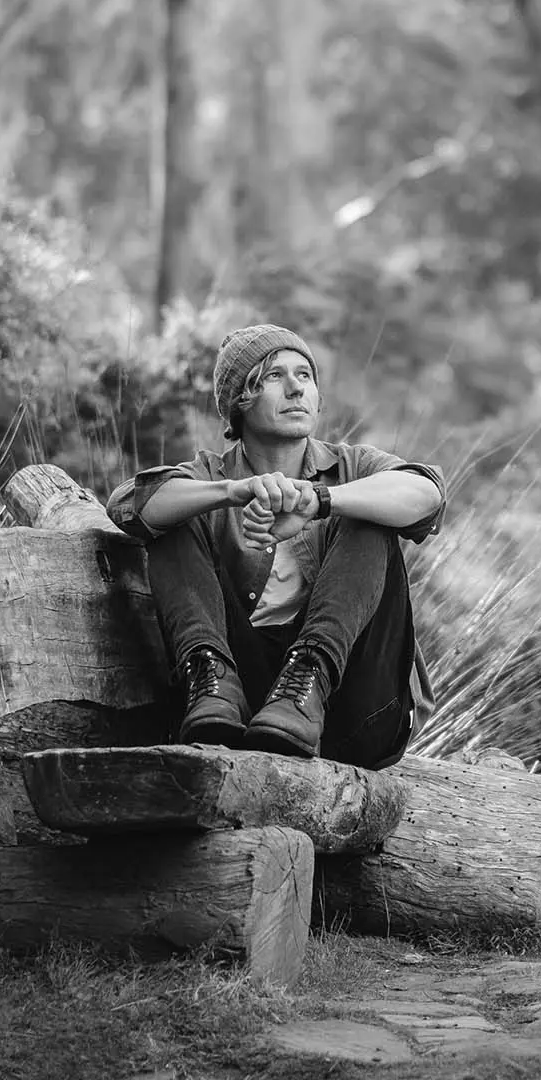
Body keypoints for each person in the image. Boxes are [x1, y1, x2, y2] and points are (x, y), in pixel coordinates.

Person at [104, 324, 446, 769]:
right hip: (236, 712)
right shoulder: (211, 476)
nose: (295, 388)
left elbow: (428, 494)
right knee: (172, 516)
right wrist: (233, 492)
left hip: (353, 712)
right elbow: (129, 505)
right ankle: (211, 679)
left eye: (305, 375)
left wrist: (321, 500)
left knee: (370, 512)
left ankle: (309, 675)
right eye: (272, 376)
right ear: (238, 402)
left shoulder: (354, 466)